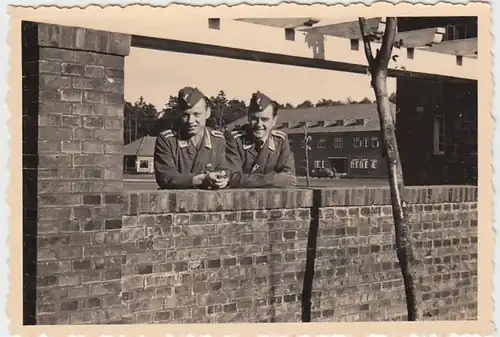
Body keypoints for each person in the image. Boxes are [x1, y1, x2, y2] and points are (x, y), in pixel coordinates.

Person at [154, 86, 229, 190]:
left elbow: (224, 168)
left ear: (208, 113)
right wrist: (202, 179)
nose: (190, 121)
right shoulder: (167, 140)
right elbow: (166, 177)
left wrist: (223, 177)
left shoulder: (218, 140)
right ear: (179, 115)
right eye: (185, 115)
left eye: (197, 114)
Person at [225, 91, 297, 188]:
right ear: (249, 118)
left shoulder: (280, 141)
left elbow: (288, 178)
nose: (259, 125)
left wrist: (247, 180)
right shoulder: (235, 139)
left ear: (274, 121)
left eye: (265, 120)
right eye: (255, 118)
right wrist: (273, 180)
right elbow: (232, 178)